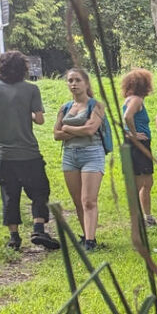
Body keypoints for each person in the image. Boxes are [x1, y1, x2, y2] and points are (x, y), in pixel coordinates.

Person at [0, 51, 61, 251]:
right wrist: (27, 115)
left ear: (1, 67)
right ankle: (38, 228)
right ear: (24, 68)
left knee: (9, 195)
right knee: (40, 191)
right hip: (29, 153)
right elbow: (39, 119)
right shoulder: (31, 89)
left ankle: (14, 238)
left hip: (4, 156)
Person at [54, 68, 107, 250]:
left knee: (88, 200)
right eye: (70, 81)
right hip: (70, 156)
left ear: (86, 83)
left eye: (77, 80)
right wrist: (75, 131)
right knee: (78, 201)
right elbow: (56, 134)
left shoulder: (97, 106)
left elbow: (90, 129)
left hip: (92, 153)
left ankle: (91, 241)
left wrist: (67, 129)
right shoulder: (65, 107)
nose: (73, 84)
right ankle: (85, 236)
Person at [120, 68, 157, 227]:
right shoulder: (136, 100)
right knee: (141, 183)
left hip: (136, 144)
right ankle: (138, 219)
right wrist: (134, 135)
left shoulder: (129, 99)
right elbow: (127, 117)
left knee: (147, 182)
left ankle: (147, 217)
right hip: (138, 145)